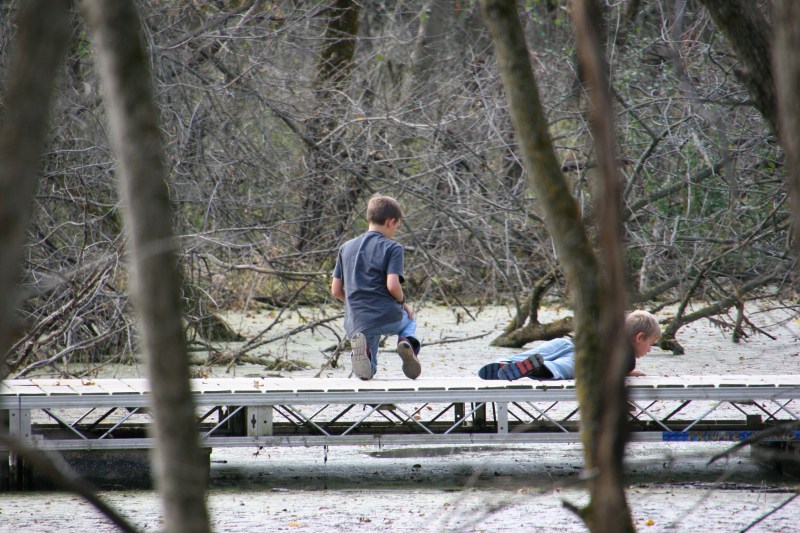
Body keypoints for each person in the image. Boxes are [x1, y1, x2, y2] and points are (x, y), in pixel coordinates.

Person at [331, 195, 421, 381]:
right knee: (410, 321)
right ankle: (406, 342)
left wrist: (357, 304)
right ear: (390, 221)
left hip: (358, 320)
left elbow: (336, 291)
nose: (395, 231)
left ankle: (364, 353)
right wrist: (403, 302)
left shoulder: (345, 248)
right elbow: (392, 285)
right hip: (387, 315)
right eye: (396, 226)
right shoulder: (392, 247)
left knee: (368, 372)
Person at [478, 310, 661, 381]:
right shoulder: (627, 358)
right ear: (639, 337)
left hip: (565, 342)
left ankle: (506, 363)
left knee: (523, 358)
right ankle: (536, 369)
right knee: (559, 368)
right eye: (650, 344)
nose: (649, 350)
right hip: (586, 358)